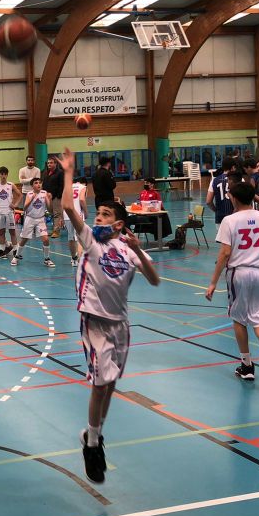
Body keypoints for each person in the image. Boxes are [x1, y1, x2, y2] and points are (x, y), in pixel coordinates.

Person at [60, 147, 160, 484]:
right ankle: (91, 444)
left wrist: (139, 252)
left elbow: (154, 280)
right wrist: (69, 173)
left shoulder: (127, 249)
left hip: (121, 325)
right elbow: (67, 207)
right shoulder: (90, 241)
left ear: (118, 224)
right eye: (98, 213)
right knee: (100, 382)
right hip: (95, 322)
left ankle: (95, 433)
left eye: (105, 215)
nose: (98, 218)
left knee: (111, 384)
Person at [205, 182, 259, 388]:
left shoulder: (229, 220)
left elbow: (224, 253)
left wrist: (213, 282)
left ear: (234, 198)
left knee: (239, 318)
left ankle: (247, 365)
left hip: (239, 273)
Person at [14, 176, 54, 267]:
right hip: (30, 219)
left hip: (41, 219)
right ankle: (16, 256)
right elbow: (24, 208)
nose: (38, 184)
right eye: (36, 183)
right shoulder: (29, 194)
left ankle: (47, 259)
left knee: (46, 239)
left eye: (40, 183)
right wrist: (32, 199)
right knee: (24, 239)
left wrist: (49, 199)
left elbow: (50, 209)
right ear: (32, 186)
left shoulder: (44, 193)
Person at [0, 166, 21, 259]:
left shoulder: (11, 185)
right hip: (0, 212)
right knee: (1, 232)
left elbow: (20, 195)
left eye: (5, 174)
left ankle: (15, 250)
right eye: (1, 174)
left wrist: (15, 204)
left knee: (12, 231)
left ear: (7, 175)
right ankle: (2, 250)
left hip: (9, 212)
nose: (3, 176)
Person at [65, 175, 88, 267]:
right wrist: (86, 212)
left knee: (71, 237)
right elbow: (82, 199)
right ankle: (81, 259)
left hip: (67, 214)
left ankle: (74, 259)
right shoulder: (83, 187)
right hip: (77, 214)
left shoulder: (68, 187)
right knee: (80, 237)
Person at [206, 157, 235, 226]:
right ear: (233, 167)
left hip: (220, 217)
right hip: (234, 216)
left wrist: (216, 210)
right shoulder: (239, 179)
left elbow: (208, 201)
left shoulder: (214, 180)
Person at [42, 156, 65, 238]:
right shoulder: (46, 173)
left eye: (51, 163)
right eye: (48, 163)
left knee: (56, 214)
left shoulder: (60, 173)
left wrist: (58, 196)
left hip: (56, 197)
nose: (49, 164)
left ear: (55, 164)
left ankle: (56, 231)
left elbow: (62, 185)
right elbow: (44, 184)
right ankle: (55, 228)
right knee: (51, 213)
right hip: (47, 197)